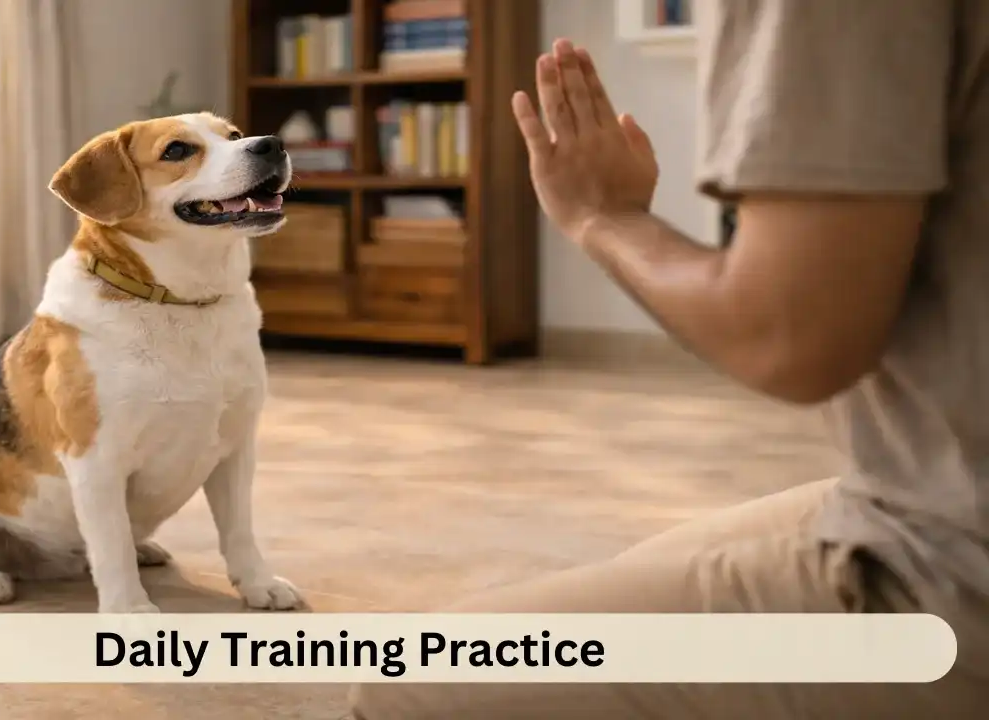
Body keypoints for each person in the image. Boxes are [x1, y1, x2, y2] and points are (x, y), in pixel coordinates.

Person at [349, 1, 989, 717]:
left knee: (408, 678)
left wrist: (604, 218)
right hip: (934, 485)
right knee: (644, 570)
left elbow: (785, 337)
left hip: (951, 575)